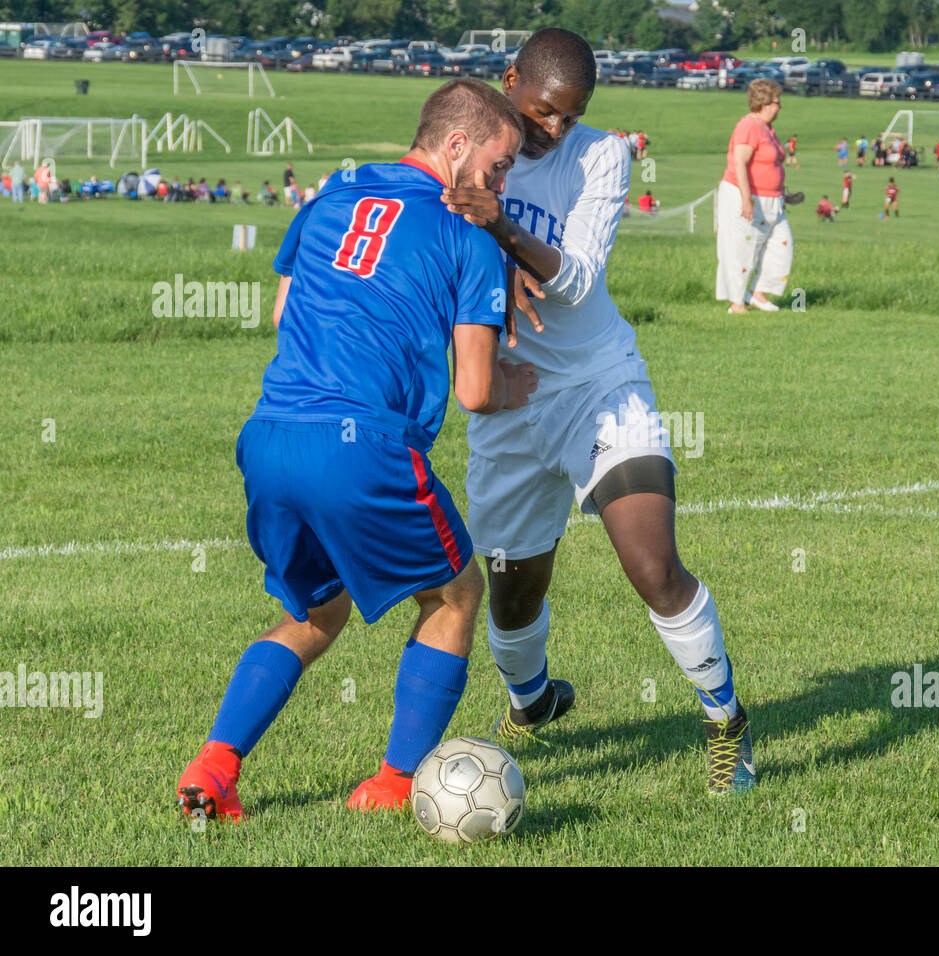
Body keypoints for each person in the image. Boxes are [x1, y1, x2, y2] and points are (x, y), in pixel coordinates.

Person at [174, 78, 535, 822]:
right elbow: (474, 390)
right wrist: (517, 385)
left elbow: (284, 313)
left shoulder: (330, 198)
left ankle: (213, 768)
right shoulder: (468, 235)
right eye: (498, 168)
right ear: (457, 145)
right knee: (456, 594)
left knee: (318, 611)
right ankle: (398, 786)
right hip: (363, 447)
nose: (500, 186)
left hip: (271, 436)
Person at [437, 28, 756, 793]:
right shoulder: (469, 147)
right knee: (512, 598)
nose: (554, 129)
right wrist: (483, 272)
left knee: (653, 567)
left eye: (569, 116)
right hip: (509, 403)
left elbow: (575, 279)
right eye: (543, 112)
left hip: (599, 386)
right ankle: (532, 701)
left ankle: (727, 721)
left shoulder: (602, 156)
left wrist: (500, 232)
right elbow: (438, 246)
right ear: (509, 80)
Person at [715, 76, 800, 314]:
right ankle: (736, 303)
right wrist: (745, 199)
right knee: (743, 248)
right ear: (763, 102)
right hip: (748, 198)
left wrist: (785, 195)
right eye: (776, 101)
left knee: (782, 246)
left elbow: (770, 167)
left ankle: (757, 293)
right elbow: (739, 163)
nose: (779, 105)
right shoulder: (748, 126)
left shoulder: (767, 129)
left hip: (773, 200)